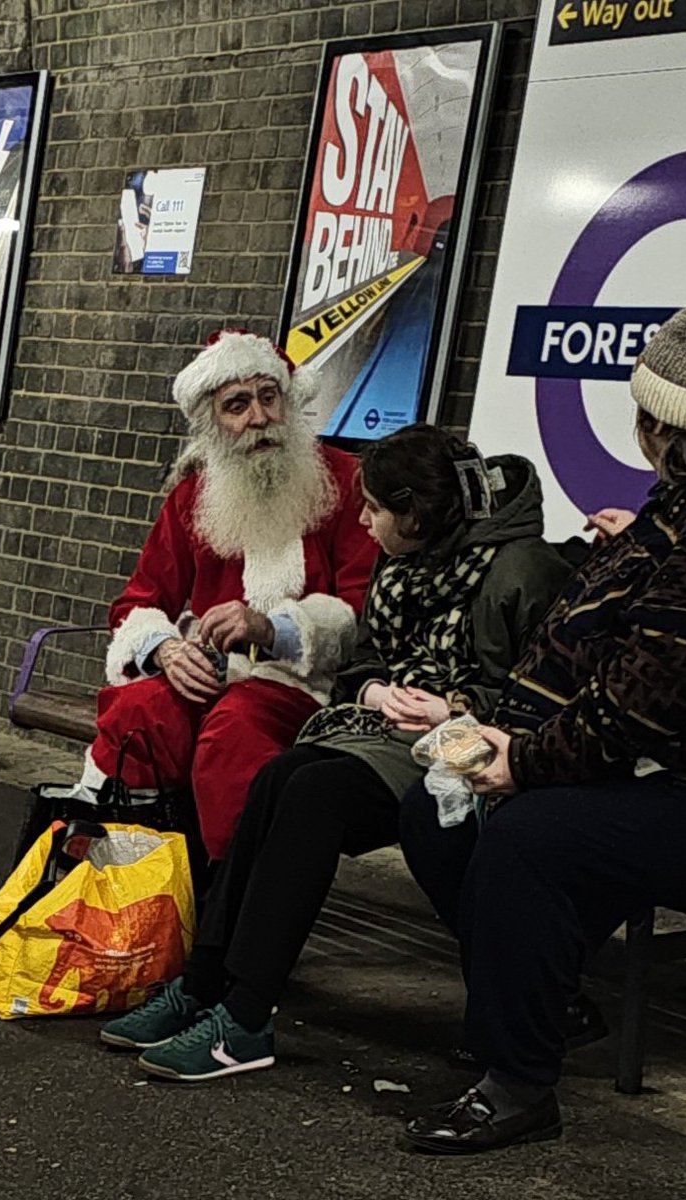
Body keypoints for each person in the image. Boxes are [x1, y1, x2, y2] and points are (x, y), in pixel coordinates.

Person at [397, 298, 686, 1154]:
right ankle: (546, 1005)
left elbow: (649, 700)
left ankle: (517, 1085)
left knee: (526, 836)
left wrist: (523, 761)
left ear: (663, 428)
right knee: (438, 809)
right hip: (677, 773)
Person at [99, 422, 573, 1078]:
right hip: (396, 732)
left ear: (414, 514)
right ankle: (206, 981)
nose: (361, 520)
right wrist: (376, 690)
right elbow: (363, 662)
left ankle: (244, 1017)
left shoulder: (524, 570)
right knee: (279, 778)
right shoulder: (405, 560)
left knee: (312, 796)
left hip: (480, 749)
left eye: (374, 510)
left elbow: (543, 704)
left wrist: (449, 711)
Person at [68, 329, 377, 861]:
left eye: (268, 397)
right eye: (237, 405)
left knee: (233, 739)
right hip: (208, 667)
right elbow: (139, 601)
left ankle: (229, 905)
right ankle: (120, 882)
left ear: (288, 399)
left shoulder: (343, 481)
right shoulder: (194, 496)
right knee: (139, 716)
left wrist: (272, 629)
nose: (258, 418)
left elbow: (362, 605)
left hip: (299, 678)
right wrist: (164, 649)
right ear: (215, 423)